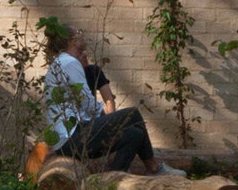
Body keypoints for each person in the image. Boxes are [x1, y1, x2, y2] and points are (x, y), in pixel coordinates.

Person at [40, 20, 158, 173]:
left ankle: (111, 179)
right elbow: (87, 102)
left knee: (134, 135)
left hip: (71, 137)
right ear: (72, 40)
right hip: (72, 138)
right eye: (79, 33)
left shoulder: (62, 63)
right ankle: (154, 167)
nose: (82, 36)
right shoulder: (68, 62)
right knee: (132, 113)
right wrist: (105, 119)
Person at [71, 30, 117, 114]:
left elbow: (109, 99)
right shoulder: (66, 73)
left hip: (95, 117)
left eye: (84, 51)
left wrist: (113, 121)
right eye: (80, 52)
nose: (85, 54)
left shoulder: (93, 71)